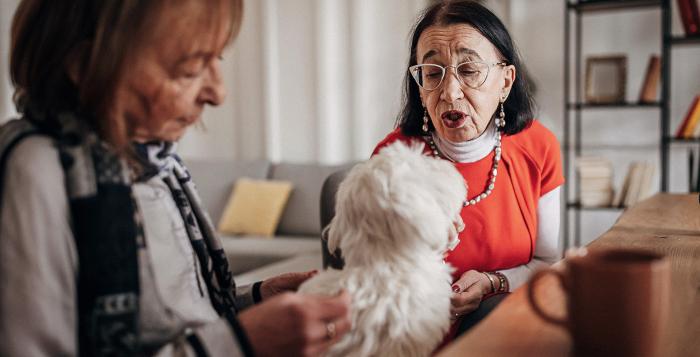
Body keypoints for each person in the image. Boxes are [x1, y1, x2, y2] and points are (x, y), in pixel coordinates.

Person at [0, 1, 350, 356]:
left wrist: (255, 300)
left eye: (217, 60)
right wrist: (241, 343)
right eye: (190, 70)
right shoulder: (36, 172)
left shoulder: (155, 162)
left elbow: (173, 320)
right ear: (86, 66)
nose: (218, 93)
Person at [372, 0, 563, 336]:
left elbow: (547, 263)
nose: (449, 92)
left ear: (505, 81)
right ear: (419, 86)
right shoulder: (393, 158)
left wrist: (492, 283)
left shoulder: (538, 147)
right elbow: (373, 275)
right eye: (432, 73)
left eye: (469, 70)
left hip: (508, 329)